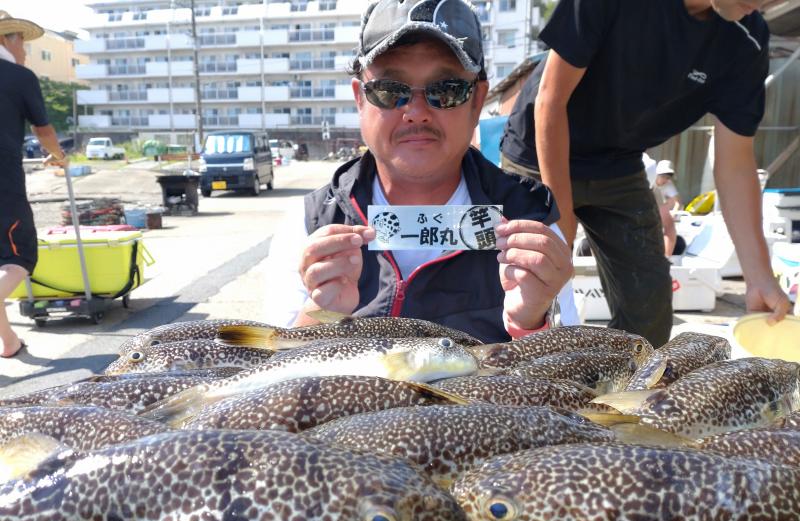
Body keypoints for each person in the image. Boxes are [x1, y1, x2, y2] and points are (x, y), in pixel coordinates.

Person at [263, 0, 575, 342]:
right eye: (389, 90)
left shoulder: (530, 220)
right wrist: (321, 315)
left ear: (476, 101)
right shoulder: (310, 225)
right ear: (360, 100)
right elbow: (274, 384)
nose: (416, 113)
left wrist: (532, 323)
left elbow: (571, 382)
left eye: (447, 90)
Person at [500, 0, 792, 346]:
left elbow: (736, 161)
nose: (766, 3)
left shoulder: (748, 38)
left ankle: (620, 389)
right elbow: (552, 100)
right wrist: (559, 221)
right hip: (538, 151)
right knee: (535, 290)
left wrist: (758, 275)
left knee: (649, 308)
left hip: (619, 162)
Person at [0, 11, 67, 358]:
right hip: (3, 180)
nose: (25, 50)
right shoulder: (18, 76)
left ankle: (9, 341)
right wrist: (58, 156)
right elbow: (44, 130)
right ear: (7, 39)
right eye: (22, 42)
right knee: (18, 256)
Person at [643, 156, 682, 257]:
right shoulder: (648, 182)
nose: (665, 179)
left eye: (668, 176)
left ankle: (665, 255)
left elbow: (677, 202)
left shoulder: (667, 186)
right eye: (663, 175)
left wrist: (674, 211)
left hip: (660, 214)